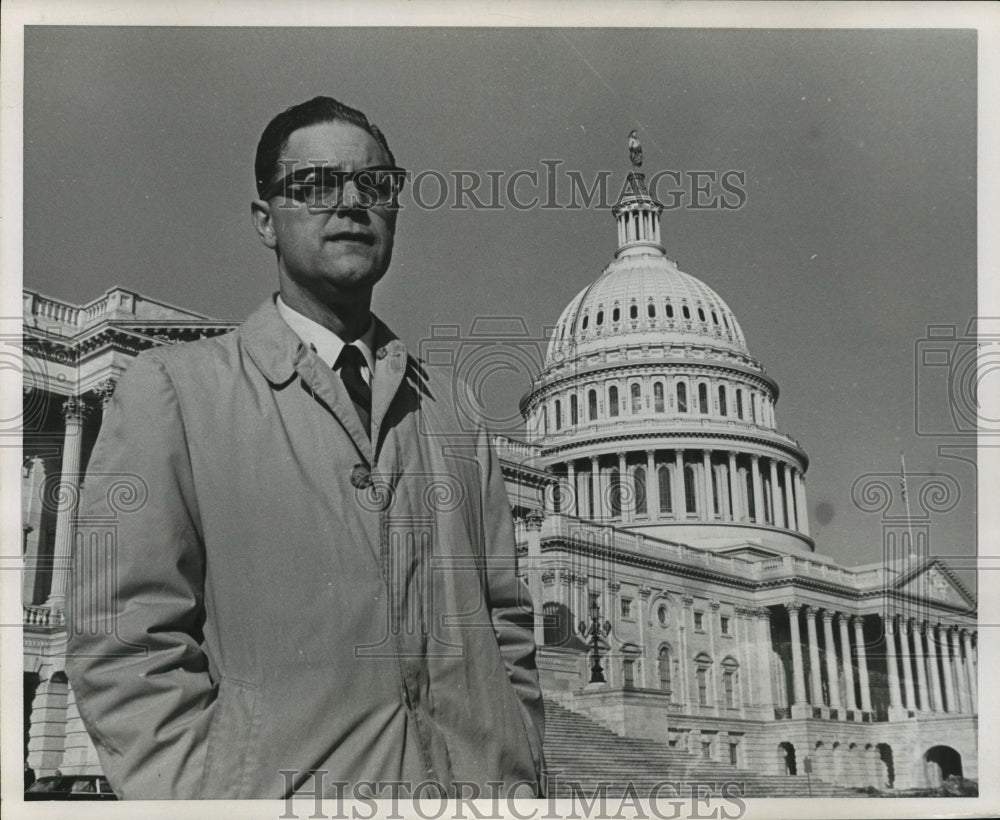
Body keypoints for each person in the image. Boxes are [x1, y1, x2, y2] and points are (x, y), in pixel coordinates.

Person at [66, 96, 545, 800]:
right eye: (315, 186)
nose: (350, 203)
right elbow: (123, 641)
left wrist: (520, 773)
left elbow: (507, 628)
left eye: (374, 186)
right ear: (266, 221)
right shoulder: (173, 390)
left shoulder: (455, 415)